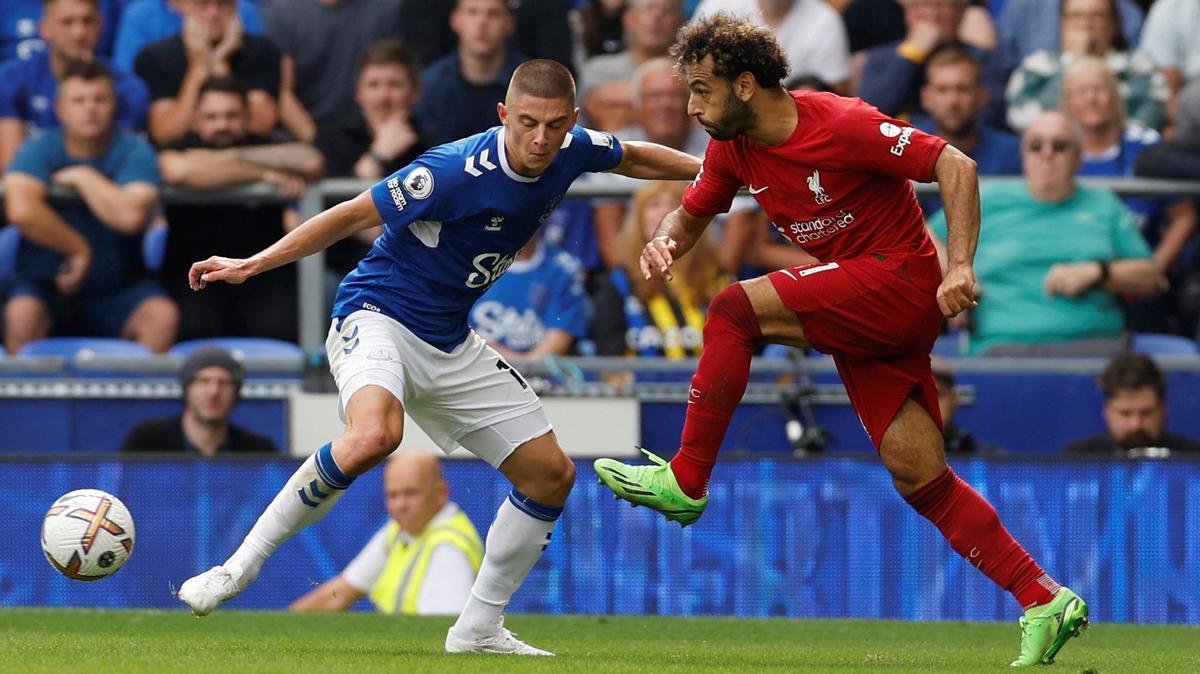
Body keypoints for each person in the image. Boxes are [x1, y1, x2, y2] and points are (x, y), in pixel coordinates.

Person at [591, 15, 1088, 667]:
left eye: (702, 90)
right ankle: (1044, 598)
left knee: (735, 311)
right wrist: (666, 239)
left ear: (745, 84)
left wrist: (962, 265)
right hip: (860, 306)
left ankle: (686, 478)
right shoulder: (732, 146)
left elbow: (955, 164)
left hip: (900, 282)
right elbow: (695, 209)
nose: (690, 107)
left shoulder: (841, 122)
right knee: (919, 474)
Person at [174, 59, 700, 656]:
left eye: (554, 126)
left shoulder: (571, 149)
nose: (539, 139)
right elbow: (351, 214)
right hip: (377, 315)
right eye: (526, 122)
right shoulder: (452, 170)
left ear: (571, 121)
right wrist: (253, 263)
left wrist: (715, 172)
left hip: (449, 339)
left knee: (551, 476)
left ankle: (477, 630)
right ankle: (236, 569)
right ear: (503, 115)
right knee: (375, 435)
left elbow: (631, 155)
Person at [928, 111, 1163, 357]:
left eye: (1060, 146)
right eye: (1036, 146)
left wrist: (1098, 272)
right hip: (1002, 346)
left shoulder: (1103, 203)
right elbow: (926, 234)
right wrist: (955, 273)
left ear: (1078, 158)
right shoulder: (988, 197)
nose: (1047, 153)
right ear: (1023, 155)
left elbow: (1152, 278)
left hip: (1094, 346)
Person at [2, 60, 177, 355]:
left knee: (161, 317)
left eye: (100, 99)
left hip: (119, 287)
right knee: (21, 314)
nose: (90, 108)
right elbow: (21, 210)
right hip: (45, 285)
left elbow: (131, 217)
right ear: (60, 109)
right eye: (79, 100)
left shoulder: (135, 150)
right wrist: (78, 249)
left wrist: (84, 178)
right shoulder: (39, 148)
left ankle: (137, 402)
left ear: (116, 105)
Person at [157, 76, 323, 342]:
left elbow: (311, 160)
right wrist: (262, 175)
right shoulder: (179, 146)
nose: (222, 124)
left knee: (278, 333)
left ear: (247, 117)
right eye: (211, 117)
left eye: (231, 115)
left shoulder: (265, 143)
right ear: (195, 119)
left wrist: (224, 158)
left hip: (263, 273)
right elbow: (177, 170)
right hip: (194, 275)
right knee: (196, 334)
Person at [290, 451, 483, 614]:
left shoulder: (448, 549)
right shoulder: (399, 531)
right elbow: (339, 593)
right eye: (393, 495)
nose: (400, 505)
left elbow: (446, 629)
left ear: (440, 493)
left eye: (411, 493)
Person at [0, 0, 150, 169]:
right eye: (67, 22)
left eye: (87, 21)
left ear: (101, 24)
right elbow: (11, 166)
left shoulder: (129, 89)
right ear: (44, 28)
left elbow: (120, 162)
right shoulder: (12, 79)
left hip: (100, 189)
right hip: (30, 186)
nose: (79, 33)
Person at [593, 181, 729, 358]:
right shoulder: (619, 282)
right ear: (639, 219)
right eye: (654, 205)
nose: (664, 214)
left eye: (673, 206)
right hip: (641, 383)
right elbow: (609, 358)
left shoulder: (717, 278)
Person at [1005, 0, 1168, 132]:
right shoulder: (1037, 65)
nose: (1086, 24)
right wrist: (1075, 62)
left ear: (1113, 23)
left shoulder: (1137, 65)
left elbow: (1151, 117)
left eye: (1097, 15)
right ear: (1062, 24)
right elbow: (1020, 117)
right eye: (1077, 16)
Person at [134, 0, 281, 146]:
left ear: (236, 6)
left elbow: (261, 125)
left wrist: (219, 63)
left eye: (222, 3)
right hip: (186, 158)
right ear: (179, 6)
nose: (213, 13)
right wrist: (198, 68)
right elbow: (166, 134)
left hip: (248, 155)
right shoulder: (154, 57)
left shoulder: (261, 51)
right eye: (202, 4)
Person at [858, 0, 1007, 130]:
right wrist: (911, 53)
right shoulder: (881, 58)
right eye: (922, 5)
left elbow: (990, 116)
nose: (932, 16)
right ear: (907, 13)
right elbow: (867, 115)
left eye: (942, 6)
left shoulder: (983, 59)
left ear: (961, 13)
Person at [260, 0, 403, 134]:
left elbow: (395, 81)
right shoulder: (283, 13)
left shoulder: (388, 9)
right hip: (306, 133)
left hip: (372, 129)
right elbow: (284, 95)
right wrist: (322, 144)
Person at [122, 346, 277, 456]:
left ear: (236, 393)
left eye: (224, 383)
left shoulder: (257, 451)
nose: (214, 392)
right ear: (186, 388)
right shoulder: (147, 443)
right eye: (203, 381)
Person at [411, 0, 522, 146]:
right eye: (472, 12)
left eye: (493, 14)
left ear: (510, 23)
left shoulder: (529, 84)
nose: (482, 22)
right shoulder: (428, 87)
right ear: (455, 20)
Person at [691, 0, 851, 93]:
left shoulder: (825, 21)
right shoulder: (718, 7)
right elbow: (689, 72)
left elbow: (832, 98)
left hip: (792, 135)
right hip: (712, 130)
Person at [468, 237, 589, 360]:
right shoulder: (467, 262)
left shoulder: (564, 267)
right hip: (481, 371)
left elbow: (559, 341)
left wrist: (519, 370)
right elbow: (463, 337)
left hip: (546, 375)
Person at [1063, 352, 1200, 456]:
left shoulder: (1192, 459)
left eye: (1146, 413)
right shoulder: (1077, 461)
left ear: (1163, 409)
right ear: (1106, 411)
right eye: (1125, 413)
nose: (1136, 424)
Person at [578, 0, 684, 133]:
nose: (657, 17)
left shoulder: (692, 70)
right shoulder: (599, 70)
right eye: (648, 8)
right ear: (628, 18)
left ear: (680, 22)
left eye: (668, 9)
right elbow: (599, 114)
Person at [930, 357, 1000, 454]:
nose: (926, 406)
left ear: (954, 399)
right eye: (916, 399)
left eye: (935, 395)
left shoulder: (990, 464)